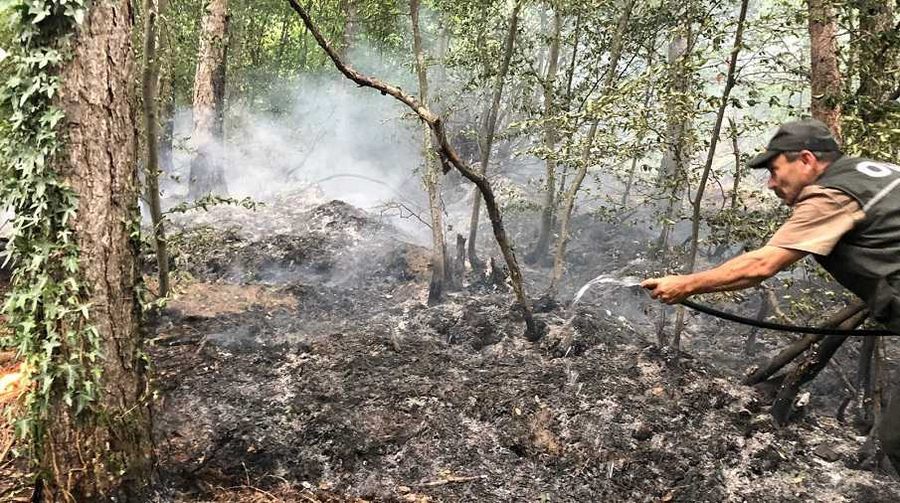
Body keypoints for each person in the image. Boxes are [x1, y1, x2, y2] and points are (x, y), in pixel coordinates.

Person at [640, 118, 900, 473]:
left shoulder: (831, 194)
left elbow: (762, 264)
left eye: (776, 170)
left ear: (806, 160)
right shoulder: (875, 174)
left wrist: (684, 284)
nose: (771, 182)